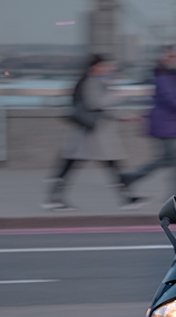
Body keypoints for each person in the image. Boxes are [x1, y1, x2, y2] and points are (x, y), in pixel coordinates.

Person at [45, 54, 140, 211]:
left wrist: (124, 116)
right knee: (80, 164)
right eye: (104, 66)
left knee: (107, 164)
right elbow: (97, 103)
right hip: (91, 133)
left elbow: (103, 107)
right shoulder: (91, 81)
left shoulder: (95, 81)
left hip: (92, 132)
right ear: (94, 67)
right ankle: (54, 199)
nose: (107, 69)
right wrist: (117, 95)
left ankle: (127, 198)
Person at [121, 45, 176, 201]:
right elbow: (171, 99)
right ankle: (132, 177)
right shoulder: (163, 77)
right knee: (169, 158)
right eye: (171, 57)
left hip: (173, 121)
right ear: (162, 59)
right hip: (165, 122)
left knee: (174, 158)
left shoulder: (175, 75)